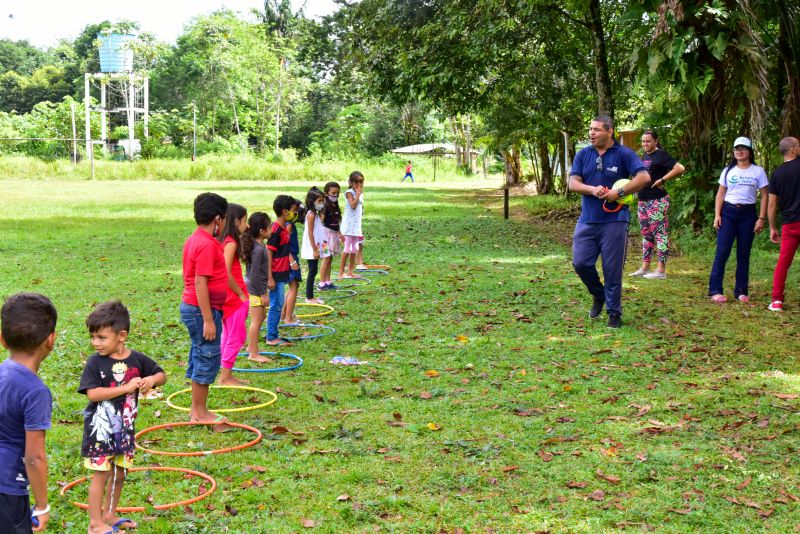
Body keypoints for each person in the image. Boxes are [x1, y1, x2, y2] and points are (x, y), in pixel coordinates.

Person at [78, 300, 166, 534]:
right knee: (101, 473)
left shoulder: (136, 359)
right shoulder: (95, 362)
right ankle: (95, 523)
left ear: (122, 335)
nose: (95, 343)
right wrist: (126, 388)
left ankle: (109, 514)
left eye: (101, 337)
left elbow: (161, 374)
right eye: (93, 337)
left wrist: (151, 381)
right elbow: (93, 394)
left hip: (125, 428)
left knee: (120, 471)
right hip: (101, 430)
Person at [568, 115, 651, 328]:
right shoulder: (583, 154)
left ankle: (614, 313)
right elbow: (573, 183)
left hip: (615, 220)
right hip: (587, 219)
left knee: (612, 268)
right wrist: (591, 189)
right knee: (581, 263)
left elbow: (643, 178)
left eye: (596, 129)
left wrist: (619, 192)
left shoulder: (624, 154)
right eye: (590, 129)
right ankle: (599, 295)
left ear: (609, 131)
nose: (591, 133)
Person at [0, 293, 56, 534]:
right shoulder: (36, 392)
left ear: (2, 339)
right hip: (8, 488)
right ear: (51, 340)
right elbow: (34, 457)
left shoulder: (2, 372)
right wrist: (42, 506)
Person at [180, 192, 231, 427]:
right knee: (207, 356)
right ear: (218, 219)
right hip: (202, 311)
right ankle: (200, 412)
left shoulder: (194, 239)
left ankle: (196, 410)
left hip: (197, 309)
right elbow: (200, 282)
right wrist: (209, 320)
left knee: (200, 354)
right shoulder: (206, 245)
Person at [708, 136, 769, 303]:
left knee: (743, 254)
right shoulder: (728, 171)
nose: (739, 151)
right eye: (736, 148)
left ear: (749, 151)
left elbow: (764, 196)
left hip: (748, 214)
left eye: (743, 148)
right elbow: (720, 194)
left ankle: (741, 291)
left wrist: (761, 218)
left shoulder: (758, 171)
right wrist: (717, 215)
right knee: (722, 252)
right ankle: (715, 290)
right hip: (728, 213)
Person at [629, 129, 685, 279]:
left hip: (657, 200)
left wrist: (662, 180)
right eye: (643, 141)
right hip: (643, 200)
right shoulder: (644, 155)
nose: (645, 144)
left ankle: (660, 271)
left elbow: (680, 168)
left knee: (660, 234)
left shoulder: (661, 155)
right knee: (646, 235)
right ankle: (645, 268)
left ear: (655, 141)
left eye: (648, 141)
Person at [767, 137, 800, 311]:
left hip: (789, 225)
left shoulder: (777, 173)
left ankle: (777, 301)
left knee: (783, 263)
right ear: (793, 149)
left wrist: (772, 227)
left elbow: (772, 204)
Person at [218, 203, 249, 385]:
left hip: (226, 297)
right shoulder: (230, 242)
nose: (247, 225)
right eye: (245, 221)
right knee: (236, 336)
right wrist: (240, 293)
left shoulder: (223, 239)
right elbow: (226, 272)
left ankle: (226, 373)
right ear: (236, 221)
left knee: (228, 334)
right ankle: (225, 377)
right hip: (234, 297)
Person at [266, 195, 297, 346]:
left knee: (278, 303)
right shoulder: (275, 230)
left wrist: (290, 263)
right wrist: (269, 277)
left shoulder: (284, 229)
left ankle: (273, 333)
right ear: (285, 212)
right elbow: (269, 253)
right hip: (275, 274)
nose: (294, 213)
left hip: (282, 272)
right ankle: (271, 337)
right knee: (276, 304)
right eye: (292, 211)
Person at [242, 212, 272, 362]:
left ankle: (251, 346)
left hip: (256, 288)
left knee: (260, 317)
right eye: (269, 226)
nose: (271, 229)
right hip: (255, 289)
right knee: (257, 320)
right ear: (262, 231)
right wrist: (263, 293)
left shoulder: (258, 245)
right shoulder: (258, 249)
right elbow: (254, 275)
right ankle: (253, 353)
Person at [301, 187, 326, 304]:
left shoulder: (315, 214)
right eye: (319, 201)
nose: (321, 203)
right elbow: (310, 232)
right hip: (312, 247)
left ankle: (310, 296)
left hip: (317, 245)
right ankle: (309, 297)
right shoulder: (311, 214)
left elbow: (319, 230)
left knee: (313, 270)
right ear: (312, 202)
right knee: (312, 271)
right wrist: (314, 249)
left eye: (322, 201)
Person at [281, 198, 304, 325]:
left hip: (290, 257)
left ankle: (284, 315)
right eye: (294, 211)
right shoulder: (288, 226)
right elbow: (285, 244)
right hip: (290, 257)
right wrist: (291, 260)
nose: (296, 213)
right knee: (294, 286)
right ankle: (288, 318)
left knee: (293, 286)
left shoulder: (288, 224)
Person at [340, 171, 365, 279]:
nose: (359, 184)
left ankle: (350, 271)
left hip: (356, 226)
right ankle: (341, 272)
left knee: (355, 248)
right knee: (347, 249)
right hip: (348, 227)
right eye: (356, 182)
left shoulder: (360, 193)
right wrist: (358, 194)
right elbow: (353, 205)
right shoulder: (349, 192)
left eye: (361, 182)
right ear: (351, 182)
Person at [319, 182, 343, 290]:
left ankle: (328, 281)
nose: (335, 195)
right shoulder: (324, 206)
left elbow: (336, 222)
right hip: (325, 236)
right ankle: (321, 283)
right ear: (326, 193)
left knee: (330, 258)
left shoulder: (335, 205)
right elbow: (320, 222)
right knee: (326, 258)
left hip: (333, 235)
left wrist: (340, 233)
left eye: (337, 193)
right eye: (333, 193)